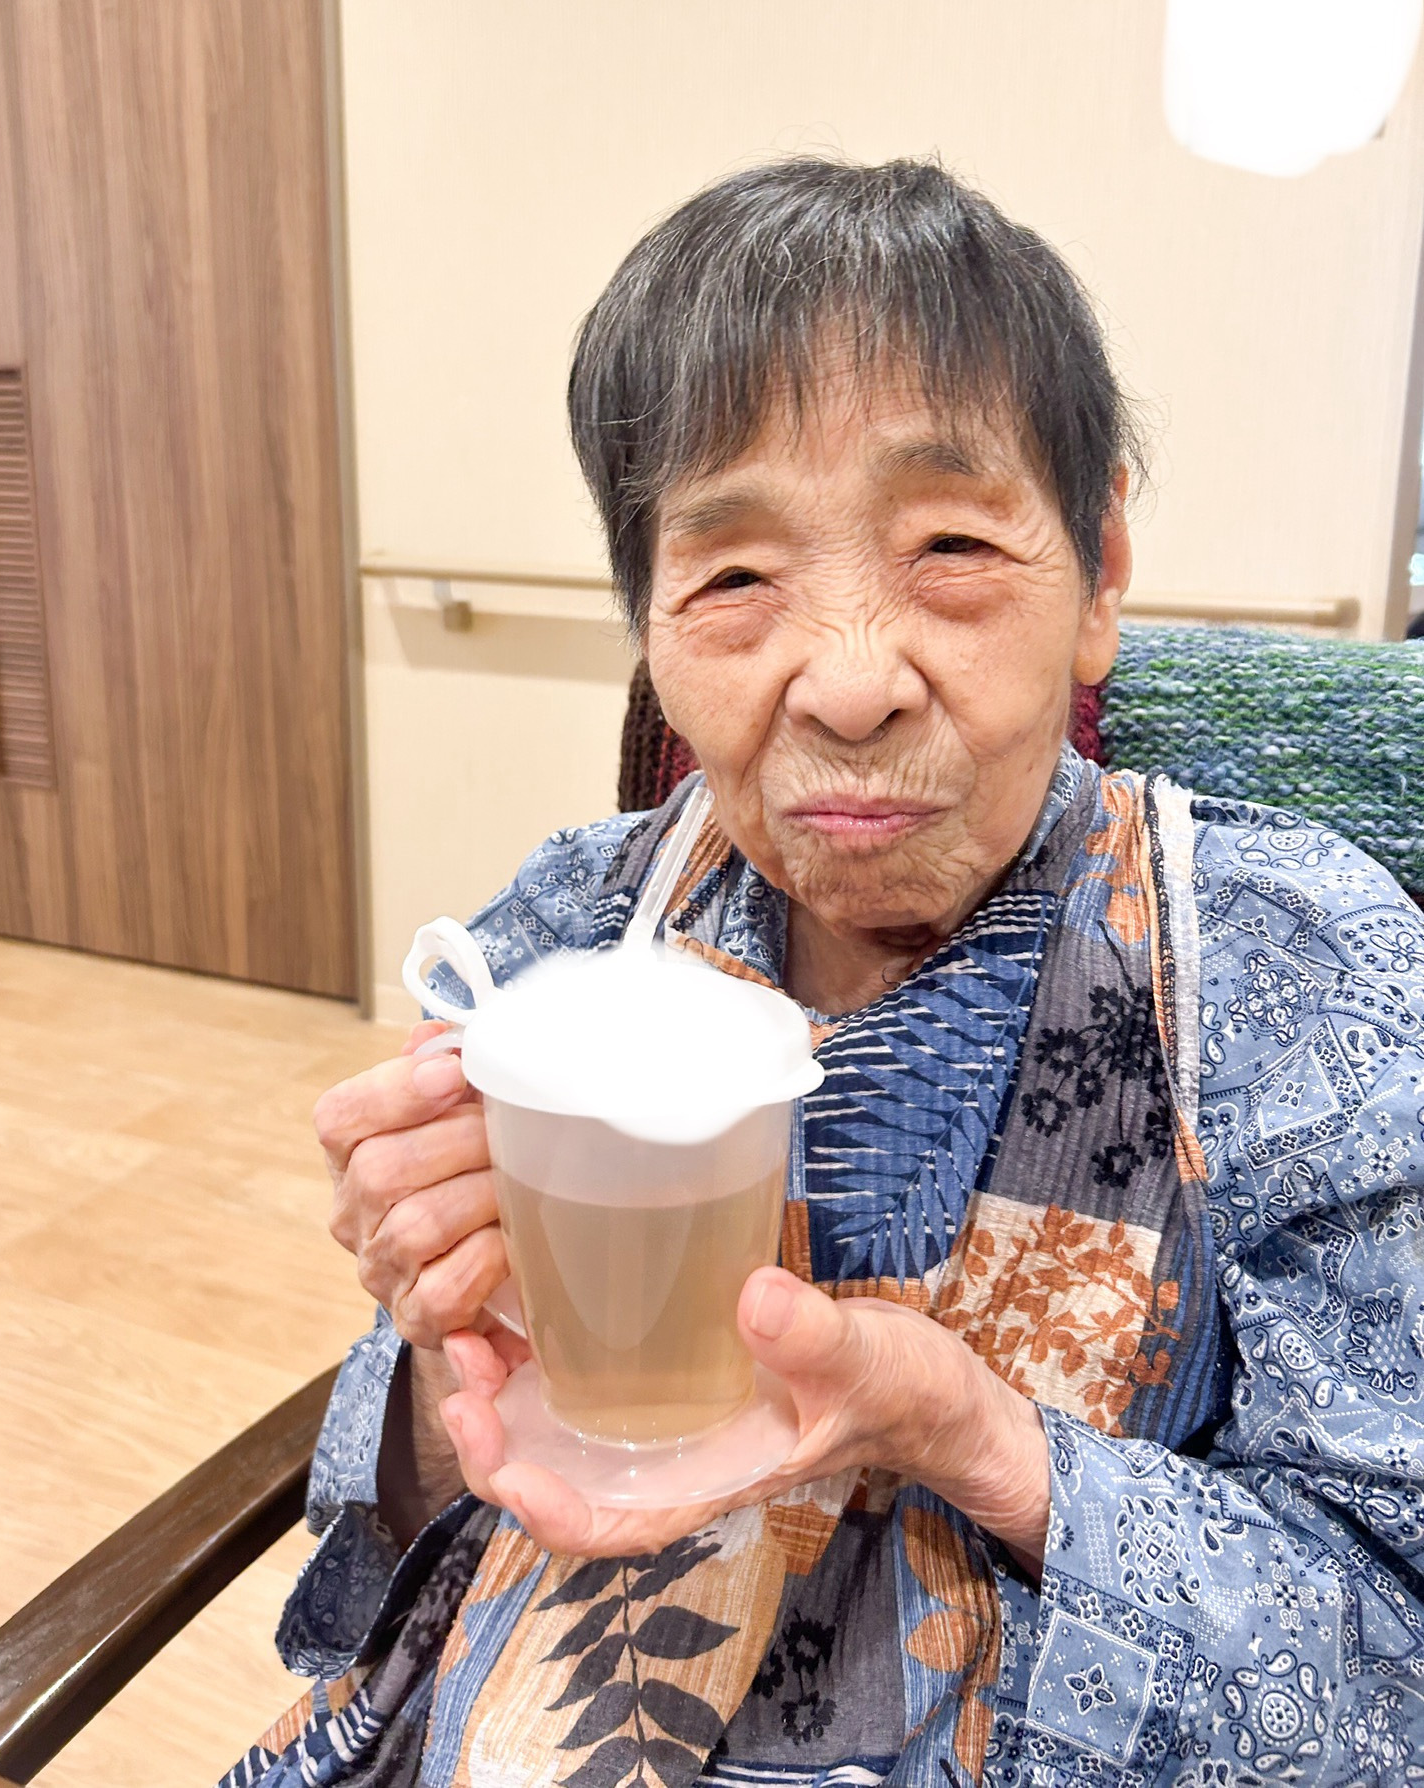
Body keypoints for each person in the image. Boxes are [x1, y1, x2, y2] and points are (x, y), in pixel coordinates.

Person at [224, 159, 1424, 1788]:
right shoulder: (567, 939)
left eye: (951, 545)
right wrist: (445, 1345)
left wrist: (978, 1440)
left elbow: (1396, 1652)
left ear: (1099, 572)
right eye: (733, 576)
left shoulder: (1297, 976)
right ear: (649, 622)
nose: (852, 685)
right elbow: (401, 1526)